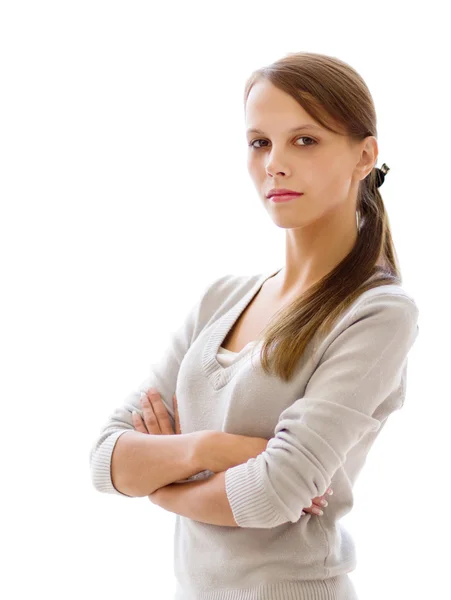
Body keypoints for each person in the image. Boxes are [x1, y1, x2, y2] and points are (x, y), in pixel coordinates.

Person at [89, 51, 419, 600]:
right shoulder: (221, 298)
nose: (275, 164)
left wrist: (162, 489)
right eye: (260, 142)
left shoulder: (378, 313)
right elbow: (105, 459)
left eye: (305, 140)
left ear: (365, 156)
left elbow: (272, 493)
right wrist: (211, 450)